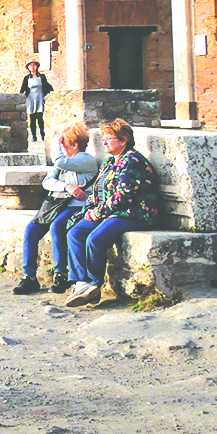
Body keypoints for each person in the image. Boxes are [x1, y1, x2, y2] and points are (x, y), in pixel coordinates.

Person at [65, 119, 161, 308]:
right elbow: (96, 190)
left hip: (134, 213)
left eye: (109, 138)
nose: (105, 142)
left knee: (95, 238)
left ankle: (94, 284)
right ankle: (80, 283)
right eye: (103, 138)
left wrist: (99, 213)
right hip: (110, 212)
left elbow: (122, 197)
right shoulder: (110, 162)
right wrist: (90, 210)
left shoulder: (132, 161)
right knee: (75, 233)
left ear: (124, 140)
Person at [13, 122, 99, 295]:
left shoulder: (85, 160)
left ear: (74, 145)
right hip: (56, 204)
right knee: (31, 230)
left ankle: (61, 273)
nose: (61, 146)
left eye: (63, 143)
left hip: (75, 206)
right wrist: (67, 186)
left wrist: (54, 142)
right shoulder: (64, 164)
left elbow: (59, 161)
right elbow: (47, 182)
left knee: (57, 226)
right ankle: (28, 277)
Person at [20, 61, 54, 143]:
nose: (32, 67)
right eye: (30, 66)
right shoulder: (27, 78)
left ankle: (42, 134)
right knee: (32, 118)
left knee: (40, 117)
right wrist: (21, 96)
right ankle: (34, 136)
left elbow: (46, 85)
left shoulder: (42, 76)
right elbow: (23, 88)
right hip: (31, 98)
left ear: (37, 67)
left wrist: (49, 93)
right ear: (28, 68)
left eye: (34, 65)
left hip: (39, 97)